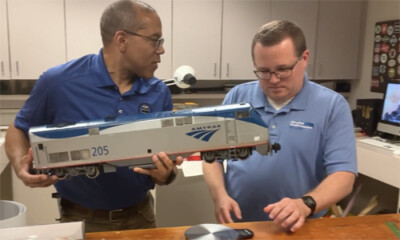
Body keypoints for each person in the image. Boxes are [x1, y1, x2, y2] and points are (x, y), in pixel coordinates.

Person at [5, 0, 183, 233]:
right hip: (79, 221)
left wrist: (165, 175)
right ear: (122, 40)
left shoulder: (158, 92)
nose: (161, 49)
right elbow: (18, 129)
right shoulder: (59, 83)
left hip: (142, 218)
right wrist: (20, 166)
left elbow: (167, 166)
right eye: (155, 40)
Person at [202, 20, 357, 232]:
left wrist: (305, 204)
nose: (273, 80)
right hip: (241, 225)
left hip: (302, 227)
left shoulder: (332, 106)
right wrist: (219, 195)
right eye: (263, 71)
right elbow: (211, 157)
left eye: (283, 69)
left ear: (304, 58)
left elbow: (344, 176)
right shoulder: (237, 97)